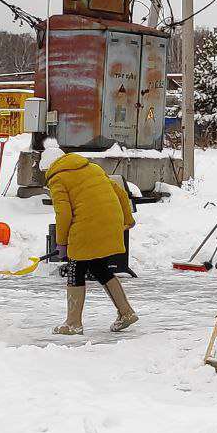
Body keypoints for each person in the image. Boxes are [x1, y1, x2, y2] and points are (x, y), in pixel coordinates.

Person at [41, 141, 139, 335]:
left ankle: (73, 323)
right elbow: (120, 192)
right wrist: (128, 220)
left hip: (86, 225)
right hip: (109, 222)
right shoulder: (93, 168)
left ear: (49, 166)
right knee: (98, 267)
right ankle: (126, 312)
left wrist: (61, 242)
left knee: (75, 268)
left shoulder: (58, 178)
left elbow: (64, 214)